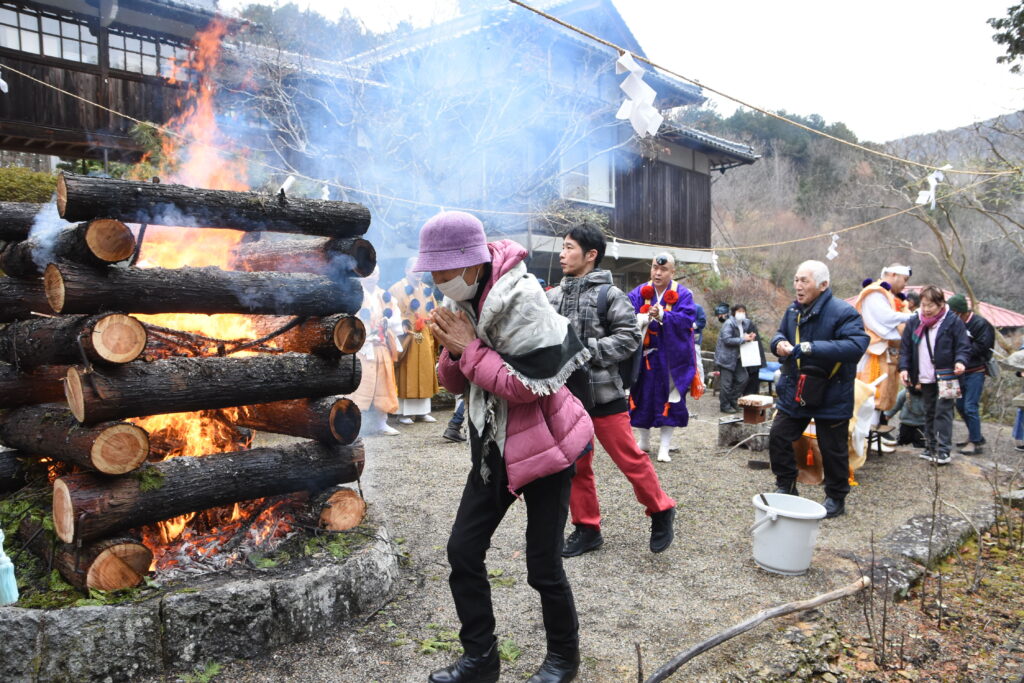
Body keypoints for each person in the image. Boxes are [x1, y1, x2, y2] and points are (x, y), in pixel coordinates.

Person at [418, 211, 593, 683]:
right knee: (463, 550)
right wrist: (454, 349)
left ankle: (562, 659)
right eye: (431, 271)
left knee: (543, 565)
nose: (437, 280)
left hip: (546, 446)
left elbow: (526, 386)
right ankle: (480, 659)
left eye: (443, 270)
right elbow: (459, 382)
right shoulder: (469, 301)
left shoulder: (522, 297)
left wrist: (469, 348)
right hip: (494, 444)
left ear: (471, 263)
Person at [546, 224, 677, 558]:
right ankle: (587, 528)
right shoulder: (553, 296)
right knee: (576, 465)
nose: (562, 253)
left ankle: (661, 510)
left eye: (570, 247)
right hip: (566, 397)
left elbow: (630, 336)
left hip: (604, 394)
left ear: (591, 255)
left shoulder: (610, 295)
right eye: (562, 247)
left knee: (629, 458)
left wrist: (586, 348)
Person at [768, 260, 869, 519]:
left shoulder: (844, 312)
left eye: (805, 281)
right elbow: (779, 334)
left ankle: (836, 497)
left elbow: (856, 346)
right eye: (796, 280)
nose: (798, 286)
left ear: (823, 285)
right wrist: (778, 343)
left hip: (832, 389)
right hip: (796, 387)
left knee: (832, 448)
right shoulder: (793, 311)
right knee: (779, 435)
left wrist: (811, 347)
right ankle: (786, 485)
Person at [627, 253, 698, 463]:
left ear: (672, 272)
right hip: (645, 355)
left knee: (670, 399)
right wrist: (642, 317)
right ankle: (644, 440)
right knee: (641, 395)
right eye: (654, 268)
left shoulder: (683, 294)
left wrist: (664, 315)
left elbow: (687, 321)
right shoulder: (639, 292)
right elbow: (624, 314)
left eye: (663, 269)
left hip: (670, 358)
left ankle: (665, 446)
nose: (657, 273)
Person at [898, 286, 970, 466]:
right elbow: (906, 348)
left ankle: (943, 450)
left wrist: (960, 361)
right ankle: (930, 447)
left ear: (941, 304)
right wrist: (904, 368)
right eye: (924, 305)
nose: (927, 309)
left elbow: (963, 346)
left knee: (943, 412)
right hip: (925, 374)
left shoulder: (952, 321)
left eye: (931, 305)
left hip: (949, 375)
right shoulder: (915, 321)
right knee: (929, 411)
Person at [853, 264, 914, 423]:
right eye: (904, 280)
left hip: (890, 351)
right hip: (875, 350)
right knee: (873, 392)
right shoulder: (875, 292)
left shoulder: (894, 297)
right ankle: (866, 433)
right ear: (894, 274)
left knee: (886, 392)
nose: (905, 284)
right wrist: (912, 318)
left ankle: (876, 429)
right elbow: (884, 318)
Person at [348, 266, 401, 436]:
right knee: (361, 384)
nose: (372, 277)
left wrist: (386, 323)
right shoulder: (354, 295)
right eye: (368, 274)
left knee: (383, 385)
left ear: (379, 276)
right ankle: (355, 423)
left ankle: (381, 423)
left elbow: (396, 320)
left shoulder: (385, 296)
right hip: (362, 347)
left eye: (375, 273)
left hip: (380, 344)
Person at [389, 257, 440, 425]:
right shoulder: (396, 289)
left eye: (420, 269)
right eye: (413, 268)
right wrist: (405, 326)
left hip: (424, 335)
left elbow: (433, 312)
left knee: (425, 370)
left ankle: (422, 411)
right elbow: (391, 313)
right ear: (406, 270)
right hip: (407, 335)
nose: (417, 272)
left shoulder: (427, 289)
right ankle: (403, 412)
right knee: (406, 371)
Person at [947, 294, 995, 455]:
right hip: (959, 371)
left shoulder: (980, 324)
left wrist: (961, 351)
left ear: (960, 311)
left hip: (976, 370)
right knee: (960, 405)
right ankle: (975, 436)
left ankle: (975, 442)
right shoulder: (955, 323)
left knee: (970, 406)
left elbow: (983, 347)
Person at [714, 304, 756, 413]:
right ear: (733, 313)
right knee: (726, 384)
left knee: (743, 378)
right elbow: (727, 339)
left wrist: (749, 337)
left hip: (738, 357)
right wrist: (743, 339)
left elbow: (744, 336)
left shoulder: (745, 323)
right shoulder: (729, 323)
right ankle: (724, 405)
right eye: (739, 311)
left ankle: (733, 399)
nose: (741, 313)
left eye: (743, 311)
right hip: (726, 358)